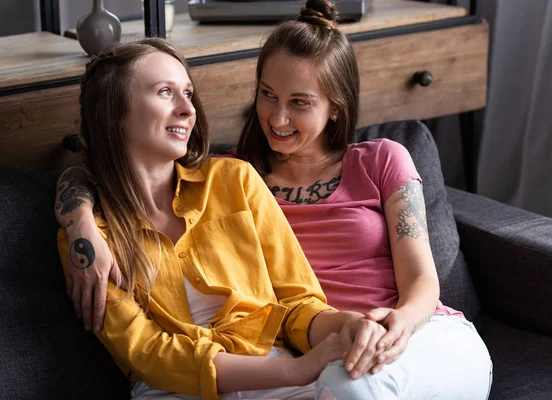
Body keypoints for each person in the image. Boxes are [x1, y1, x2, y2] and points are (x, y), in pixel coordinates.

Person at [56, 1, 493, 398]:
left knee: (351, 388)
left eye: (300, 102)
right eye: (268, 95)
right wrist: (80, 220)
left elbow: (322, 301)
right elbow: (148, 350)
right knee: (347, 388)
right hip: (308, 360)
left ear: (335, 107)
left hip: (405, 334)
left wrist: (383, 325)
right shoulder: (235, 176)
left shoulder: (367, 160)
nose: (278, 117)